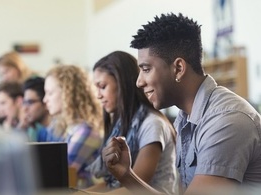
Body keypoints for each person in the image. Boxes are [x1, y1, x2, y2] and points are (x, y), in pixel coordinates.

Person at [102, 13, 261, 195]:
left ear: (178, 68)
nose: (139, 82)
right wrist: (127, 176)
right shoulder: (185, 119)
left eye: (146, 69)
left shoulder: (226, 121)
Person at [85, 51, 177, 195]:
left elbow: (135, 187)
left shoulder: (152, 124)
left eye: (102, 86)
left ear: (123, 84)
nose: (98, 95)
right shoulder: (122, 124)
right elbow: (112, 185)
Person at [41, 64, 103, 188]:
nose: (44, 99)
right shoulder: (59, 126)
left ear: (67, 93)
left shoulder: (86, 131)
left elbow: (58, 173)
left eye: (50, 93)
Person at [0, 51, 37, 132]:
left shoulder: (33, 82)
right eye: (2, 74)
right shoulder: (9, 87)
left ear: (18, 67)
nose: (5, 77)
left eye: (6, 71)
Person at [22, 76, 51, 142]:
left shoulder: (57, 134)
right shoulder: (41, 132)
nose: (24, 109)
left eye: (30, 102)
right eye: (24, 102)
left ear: (45, 102)